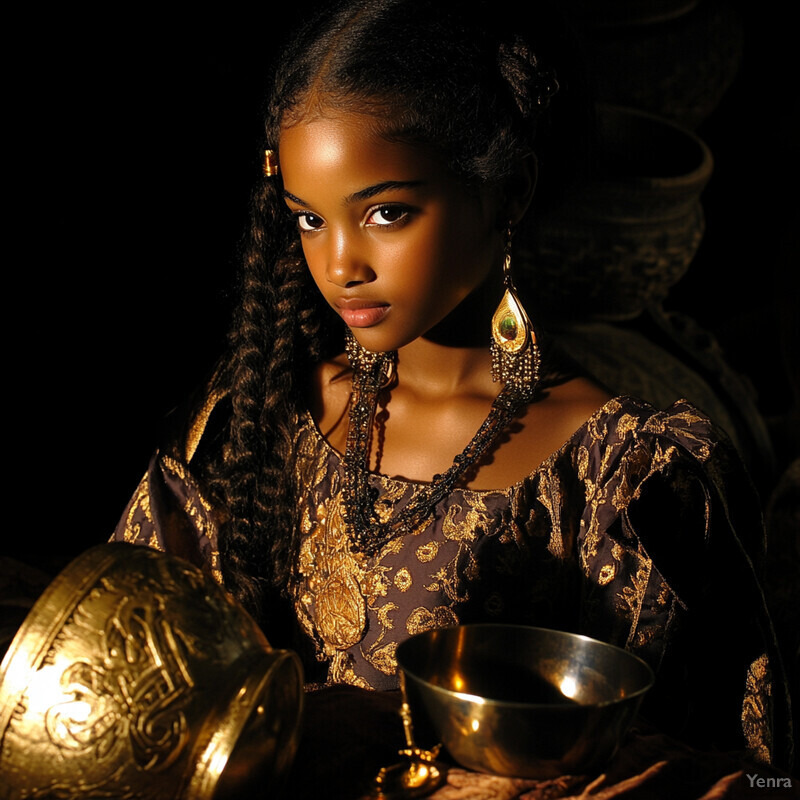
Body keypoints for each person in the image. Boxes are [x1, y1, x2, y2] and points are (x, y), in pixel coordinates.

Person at [113, 0, 792, 775]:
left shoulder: (628, 480)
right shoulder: (262, 412)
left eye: (386, 213)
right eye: (308, 220)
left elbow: (741, 771)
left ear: (509, 193)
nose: (341, 265)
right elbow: (119, 658)